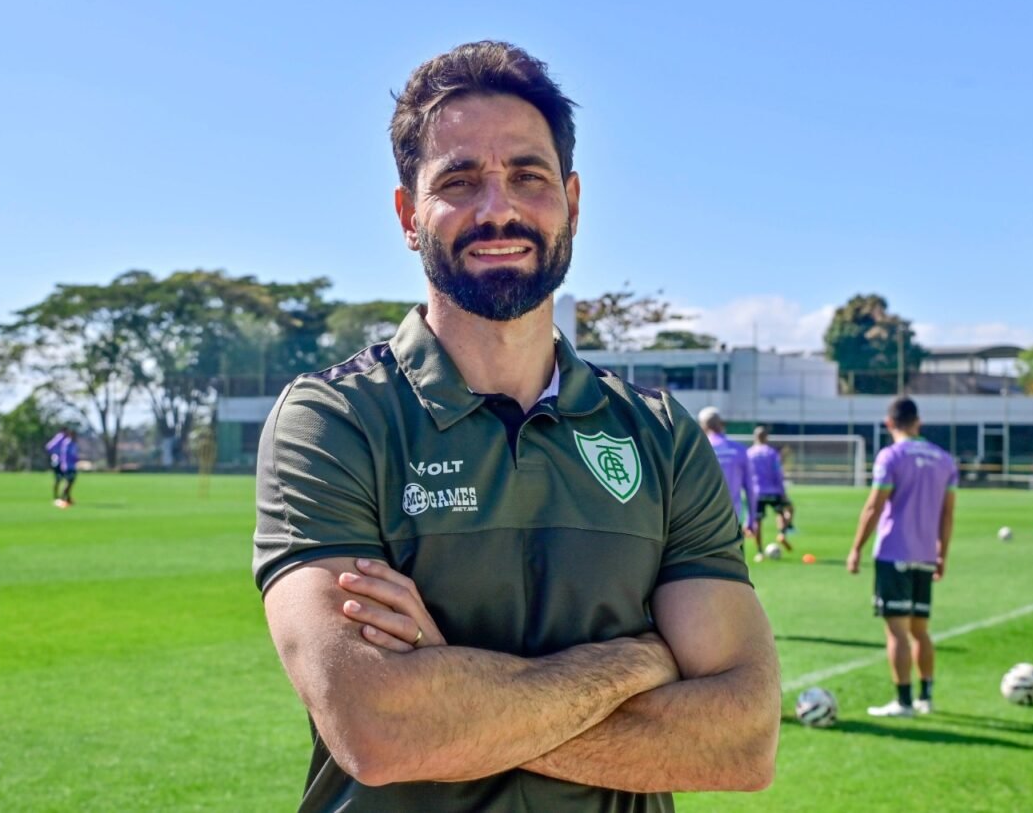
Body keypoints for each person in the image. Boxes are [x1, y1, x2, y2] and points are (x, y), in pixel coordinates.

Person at [253, 41, 779, 812]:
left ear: (571, 200)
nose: (497, 208)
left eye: (527, 177)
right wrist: (635, 663)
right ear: (407, 215)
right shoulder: (335, 421)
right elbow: (376, 730)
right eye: (459, 180)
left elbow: (743, 740)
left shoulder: (660, 435)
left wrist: (452, 698)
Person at [846, 397, 956, 718]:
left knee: (896, 631)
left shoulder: (891, 456)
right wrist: (942, 554)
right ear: (918, 422)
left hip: (894, 552)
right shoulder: (944, 459)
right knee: (920, 630)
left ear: (889, 423)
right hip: (925, 555)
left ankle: (904, 702)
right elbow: (948, 515)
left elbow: (874, 506)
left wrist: (856, 549)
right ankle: (927, 696)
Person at [697, 407, 759, 560]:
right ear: (720, 424)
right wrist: (751, 519)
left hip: (703, 520)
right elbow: (751, 489)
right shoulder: (739, 450)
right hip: (733, 518)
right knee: (736, 570)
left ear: (702, 425)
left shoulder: (698, 449)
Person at [747, 426, 796, 552]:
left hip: (757, 492)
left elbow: (746, 474)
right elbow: (778, 473)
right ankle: (782, 534)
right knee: (784, 511)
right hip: (774, 490)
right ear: (766, 437)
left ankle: (759, 552)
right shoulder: (772, 453)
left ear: (755, 437)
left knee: (758, 521)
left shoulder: (749, 453)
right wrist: (783, 491)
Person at [44, 427, 78, 508]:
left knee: (67, 480)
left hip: (64, 463)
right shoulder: (60, 437)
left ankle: (66, 497)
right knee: (59, 479)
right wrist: (57, 455)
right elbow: (49, 447)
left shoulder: (69, 441)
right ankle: (58, 497)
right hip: (59, 462)